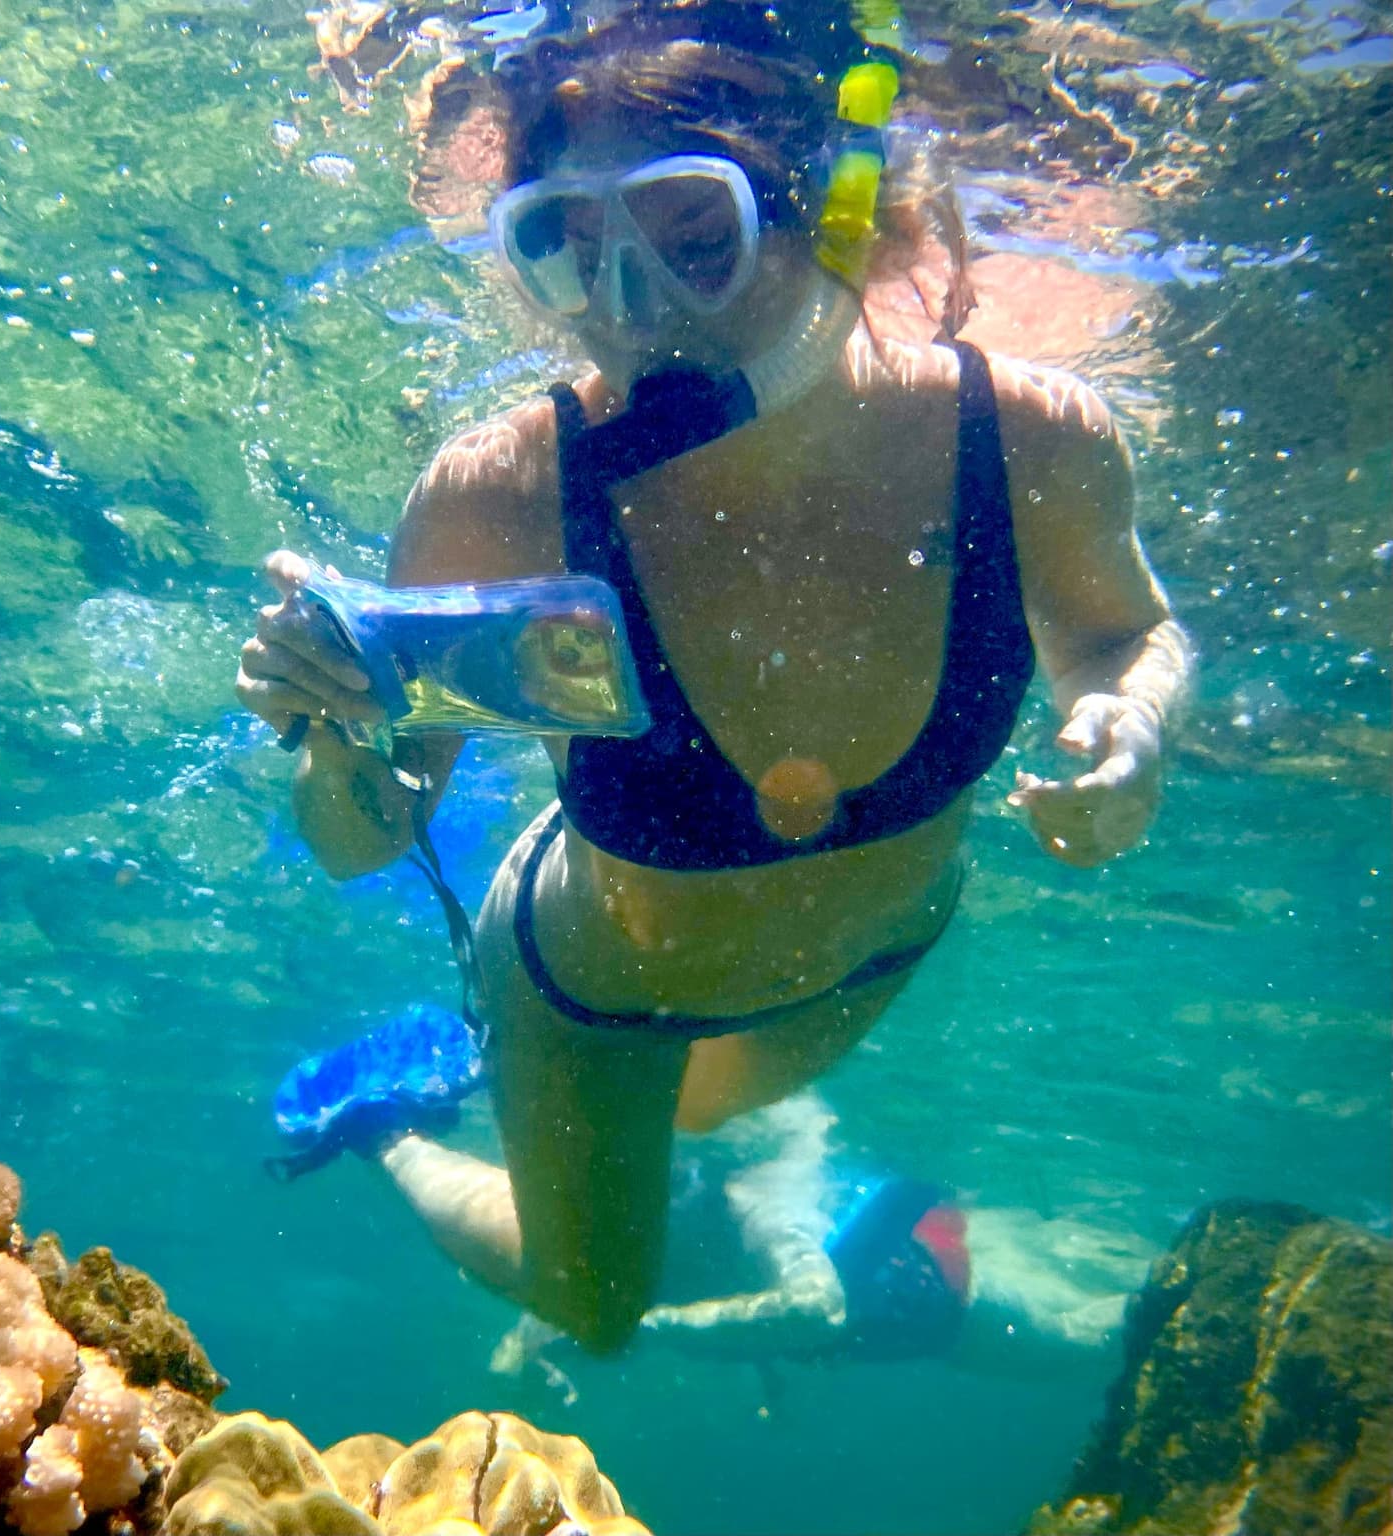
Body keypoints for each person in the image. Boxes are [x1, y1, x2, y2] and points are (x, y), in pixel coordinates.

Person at [235, 0, 1191, 1352]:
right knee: (598, 1306)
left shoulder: (1023, 436)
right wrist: (333, 741)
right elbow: (358, 843)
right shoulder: (501, 493)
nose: (640, 318)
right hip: (594, 993)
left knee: (710, 1116)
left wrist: (1130, 718)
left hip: (856, 977)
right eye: (574, 255)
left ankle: (665, 1149)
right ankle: (391, 1126)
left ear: (841, 211)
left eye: (699, 243)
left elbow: (1121, 629)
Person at [483, 1093, 1147, 1395]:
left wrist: (647, 1328)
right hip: (943, 1313)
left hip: (967, 1313)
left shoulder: (758, 1209)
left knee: (1107, 1336)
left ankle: (1220, 1282)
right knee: (1113, 1328)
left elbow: (814, 1309)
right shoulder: (663, 1236)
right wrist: (535, 1336)